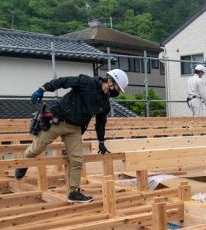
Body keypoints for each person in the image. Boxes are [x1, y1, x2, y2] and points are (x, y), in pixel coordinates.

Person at [16, 68, 128, 203]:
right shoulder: (86, 82)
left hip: (75, 129)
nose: (116, 91)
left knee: (76, 160)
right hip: (57, 121)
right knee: (36, 149)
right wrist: (43, 88)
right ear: (110, 80)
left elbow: (100, 123)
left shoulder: (105, 104)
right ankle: (23, 162)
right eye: (116, 87)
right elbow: (63, 82)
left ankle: (73, 192)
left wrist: (101, 141)